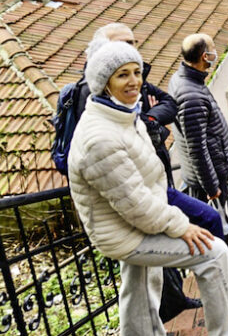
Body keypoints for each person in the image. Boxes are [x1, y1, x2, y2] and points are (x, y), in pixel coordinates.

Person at [68, 41, 228, 336]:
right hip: (125, 232)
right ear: (104, 83)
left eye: (137, 72)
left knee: (140, 284)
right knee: (213, 252)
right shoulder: (100, 137)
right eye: (122, 75)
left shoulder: (122, 114)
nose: (134, 81)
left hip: (131, 222)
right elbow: (136, 204)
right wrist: (181, 226)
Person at [79, 24, 216, 319]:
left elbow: (168, 104)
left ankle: (166, 310)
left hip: (149, 189)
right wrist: (180, 225)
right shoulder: (95, 103)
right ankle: (225, 319)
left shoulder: (129, 85)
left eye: (133, 43)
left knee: (139, 284)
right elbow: (130, 196)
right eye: (123, 44)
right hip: (129, 209)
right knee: (210, 242)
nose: (131, 50)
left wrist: (148, 118)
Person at [169, 34, 228, 235]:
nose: (216, 52)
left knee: (217, 222)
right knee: (215, 225)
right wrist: (211, 186)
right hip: (210, 177)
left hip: (212, 172)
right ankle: (221, 264)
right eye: (213, 49)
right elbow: (197, 148)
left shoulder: (186, 80)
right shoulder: (191, 96)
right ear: (204, 56)